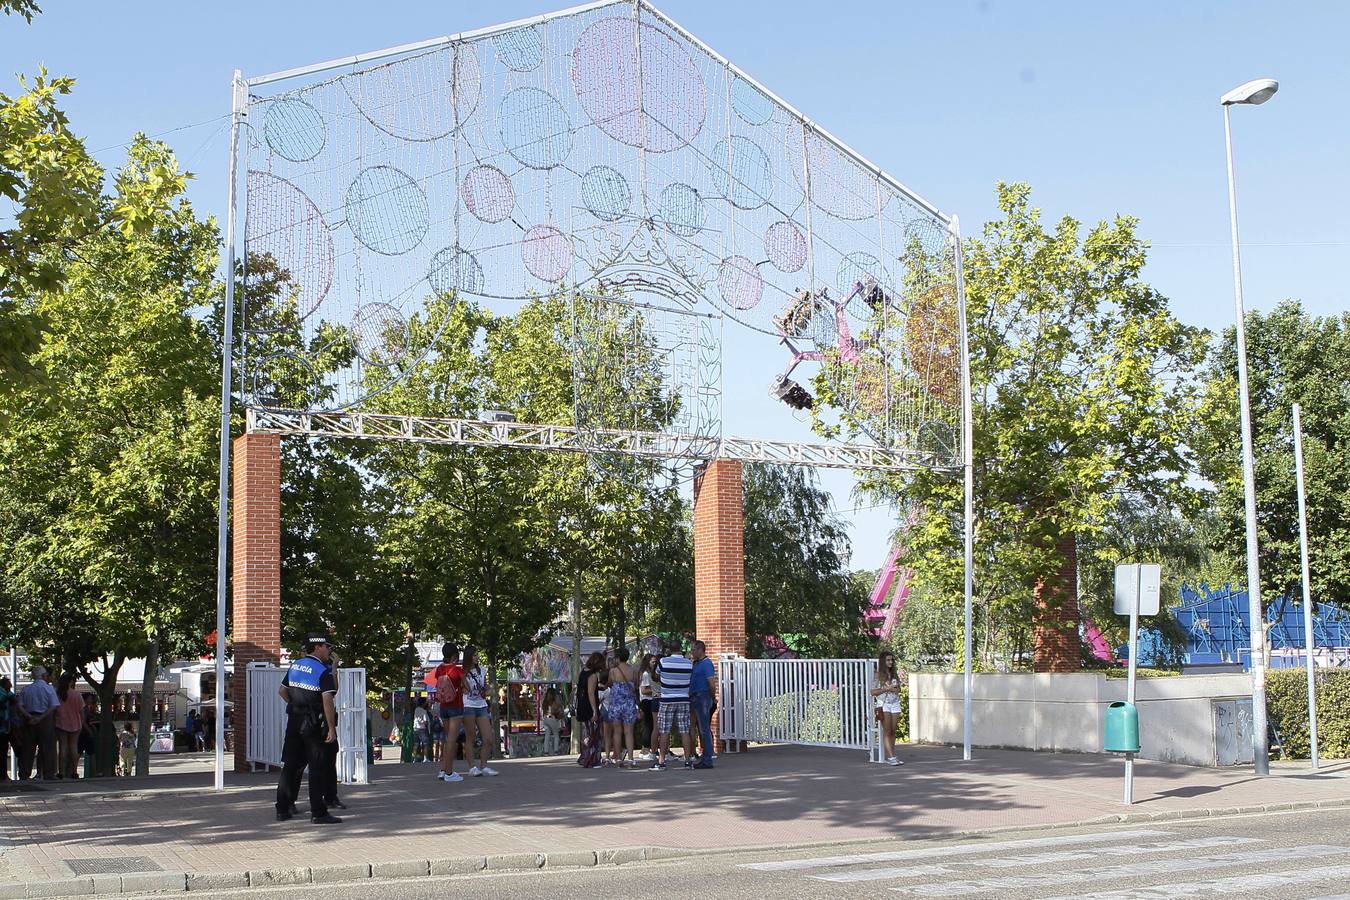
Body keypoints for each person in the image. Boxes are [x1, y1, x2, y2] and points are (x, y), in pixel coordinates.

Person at [275, 632, 341, 824]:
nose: (329, 651)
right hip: (313, 723)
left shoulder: (295, 665)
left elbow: (282, 691)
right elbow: (327, 700)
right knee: (317, 767)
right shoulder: (322, 670)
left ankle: (282, 809)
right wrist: (331, 728)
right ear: (317, 647)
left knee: (289, 766)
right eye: (327, 647)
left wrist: (296, 705)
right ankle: (318, 813)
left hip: (294, 721)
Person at [651, 644, 693, 771]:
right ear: (681, 649)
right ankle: (687, 761)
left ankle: (661, 762)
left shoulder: (663, 661)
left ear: (669, 650)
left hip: (667, 700)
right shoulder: (689, 663)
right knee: (685, 731)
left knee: (664, 731)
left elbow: (657, 676)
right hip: (684, 699)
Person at [459, 646, 498, 777]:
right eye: (474, 655)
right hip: (468, 705)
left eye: (477, 655)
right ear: (468, 656)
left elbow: (484, 688)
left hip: (481, 705)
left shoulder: (482, 670)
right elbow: (462, 689)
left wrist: (488, 690)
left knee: (488, 738)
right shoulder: (463, 672)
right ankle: (472, 767)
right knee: (471, 738)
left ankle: (484, 765)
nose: (477, 657)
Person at [17, 665, 59, 781]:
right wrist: (41, 717)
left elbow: (19, 705)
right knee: (47, 747)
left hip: (29, 720)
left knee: (27, 748)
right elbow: (54, 706)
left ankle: (24, 774)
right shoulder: (49, 689)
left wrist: (29, 716)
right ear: (44, 676)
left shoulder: (26, 689)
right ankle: (48, 774)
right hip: (45, 719)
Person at [431, 642, 465, 784]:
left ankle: (443, 769)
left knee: (446, 739)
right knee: (452, 739)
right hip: (455, 706)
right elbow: (466, 686)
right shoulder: (457, 671)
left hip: (443, 706)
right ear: (454, 656)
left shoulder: (439, 669)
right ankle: (450, 773)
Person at [607, 648, 640, 768]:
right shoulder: (633, 671)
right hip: (629, 703)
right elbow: (636, 684)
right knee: (629, 731)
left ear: (617, 657)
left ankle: (618, 758)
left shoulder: (613, 671)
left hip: (616, 702)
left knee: (617, 731)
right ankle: (631, 758)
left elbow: (609, 683)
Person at [872, 652, 905, 766]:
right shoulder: (878, 675)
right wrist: (887, 689)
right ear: (883, 661)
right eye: (888, 660)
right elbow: (873, 692)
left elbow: (899, 690)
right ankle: (890, 757)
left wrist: (895, 689)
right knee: (887, 731)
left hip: (895, 703)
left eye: (892, 660)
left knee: (893, 731)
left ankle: (893, 755)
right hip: (884, 704)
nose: (890, 662)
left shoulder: (894, 674)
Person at [689, 640, 718, 769]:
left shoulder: (706, 664)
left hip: (703, 697)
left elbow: (711, 683)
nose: (692, 652)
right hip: (696, 697)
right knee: (701, 728)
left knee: (704, 729)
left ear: (700, 649)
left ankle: (707, 759)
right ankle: (705, 757)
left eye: (693, 650)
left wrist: (712, 697)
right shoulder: (696, 664)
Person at [575, 652, 604, 768]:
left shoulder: (583, 672)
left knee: (586, 733)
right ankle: (592, 759)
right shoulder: (592, 675)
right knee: (593, 734)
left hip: (582, 705)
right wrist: (595, 711)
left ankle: (584, 757)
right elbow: (591, 693)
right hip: (589, 707)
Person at [54, 673, 85, 779]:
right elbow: (81, 711)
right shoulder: (77, 694)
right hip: (75, 723)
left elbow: (54, 709)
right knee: (73, 746)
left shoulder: (58, 694)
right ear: (70, 682)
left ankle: (61, 771)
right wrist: (82, 723)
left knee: (62, 747)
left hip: (61, 723)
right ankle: (74, 771)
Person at [639, 653, 660, 761]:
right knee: (649, 725)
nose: (654, 664)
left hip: (649, 700)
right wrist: (656, 690)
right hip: (648, 700)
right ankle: (646, 748)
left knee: (650, 725)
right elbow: (644, 690)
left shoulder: (650, 673)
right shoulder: (646, 674)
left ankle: (646, 748)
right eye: (652, 662)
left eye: (655, 662)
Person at [0, 676, 16, 782]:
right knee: (2, 752)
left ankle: (4, 775)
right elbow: (13, 698)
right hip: (3, 728)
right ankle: (3, 775)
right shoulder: (5, 693)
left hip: (4, 727)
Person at [539, 687, 563, 755]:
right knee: (556, 735)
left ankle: (546, 751)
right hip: (552, 718)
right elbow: (556, 709)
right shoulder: (553, 701)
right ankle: (556, 751)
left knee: (547, 735)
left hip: (545, 719)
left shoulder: (545, 701)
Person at [412, 697, 431, 762]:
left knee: (416, 744)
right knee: (425, 744)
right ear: (424, 703)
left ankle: (414, 758)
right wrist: (426, 723)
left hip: (415, 729)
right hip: (422, 729)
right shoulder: (423, 711)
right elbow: (425, 721)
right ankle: (425, 758)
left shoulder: (416, 709)